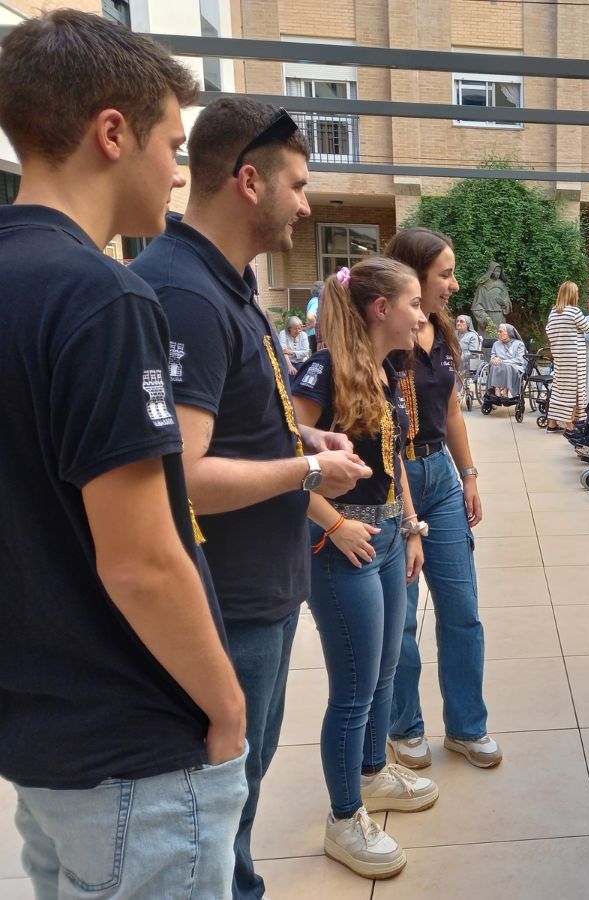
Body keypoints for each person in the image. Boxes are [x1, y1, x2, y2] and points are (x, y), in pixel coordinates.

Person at [0, 11, 248, 897]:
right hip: (135, 751)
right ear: (113, 132)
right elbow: (143, 560)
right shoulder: (104, 297)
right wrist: (226, 709)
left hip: (40, 739)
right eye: (173, 146)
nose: (179, 174)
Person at [132, 96, 372, 900]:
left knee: (236, 797)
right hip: (225, 604)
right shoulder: (190, 297)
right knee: (216, 805)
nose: (306, 204)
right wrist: (308, 475)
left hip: (255, 593)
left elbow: (229, 428)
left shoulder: (222, 285)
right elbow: (184, 474)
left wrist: (305, 441)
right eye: (297, 185)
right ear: (247, 181)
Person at [292, 258, 435, 879]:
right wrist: (334, 522)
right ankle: (344, 818)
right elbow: (282, 454)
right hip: (339, 543)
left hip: (382, 536)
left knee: (382, 673)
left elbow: (393, 460)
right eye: (414, 304)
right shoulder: (323, 369)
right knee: (353, 690)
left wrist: (407, 527)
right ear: (382, 309)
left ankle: (373, 772)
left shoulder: (387, 369)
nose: (423, 314)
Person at [383, 228, 500, 769]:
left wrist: (469, 474)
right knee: (401, 620)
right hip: (393, 478)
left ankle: (466, 726)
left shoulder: (443, 331)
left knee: (462, 610)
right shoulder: (382, 334)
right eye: (444, 275)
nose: (453, 285)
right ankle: (404, 725)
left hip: (441, 477)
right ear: (412, 275)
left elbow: (451, 410)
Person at [544, 280, 589, 432]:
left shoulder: (553, 312)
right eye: (577, 292)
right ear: (573, 294)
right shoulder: (574, 311)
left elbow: (549, 332)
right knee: (574, 391)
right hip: (574, 357)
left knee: (559, 389)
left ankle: (552, 424)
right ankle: (570, 425)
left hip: (560, 356)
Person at [471, 261, 511, 333]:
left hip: (500, 317)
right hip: (488, 316)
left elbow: (508, 302)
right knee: (487, 340)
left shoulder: (502, 285)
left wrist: (505, 304)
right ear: (491, 271)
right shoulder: (483, 286)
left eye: (499, 272)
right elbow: (476, 306)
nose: (498, 273)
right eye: (496, 271)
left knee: (500, 337)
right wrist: (485, 318)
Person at [487, 323, 526, 398]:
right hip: (499, 367)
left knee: (507, 366)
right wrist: (494, 360)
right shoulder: (496, 344)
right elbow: (492, 358)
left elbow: (519, 360)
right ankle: (496, 390)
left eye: (500, 331)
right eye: (498, 332)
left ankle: (505, 391)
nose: (499, 333)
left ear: (508, 332)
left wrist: (503, 361)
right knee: (495, 366)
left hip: (516, 367)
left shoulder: (519, 344)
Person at [307, 279, 322, 353]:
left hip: (312, 334)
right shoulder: (316, 301)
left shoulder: (313, 300)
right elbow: (311, 315)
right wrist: (315, 324)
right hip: (315, 335)